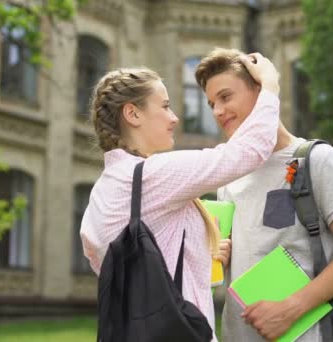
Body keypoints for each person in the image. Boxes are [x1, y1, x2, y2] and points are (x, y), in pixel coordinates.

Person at [79, 53, 279, 340]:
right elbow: (250, 150)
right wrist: (270, 85)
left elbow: (145, 276)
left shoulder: (102, 193)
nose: (174, 118)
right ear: (132, 114)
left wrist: (202, 255)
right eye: (165, 106)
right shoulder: (154, 175)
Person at [195, 48, 333, 341]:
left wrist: (289, 310)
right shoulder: (228, 173)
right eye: (212, 103)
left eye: (226, 97)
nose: (217, 111)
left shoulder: (317, 160)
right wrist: (222, 256)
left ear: (262, 90)